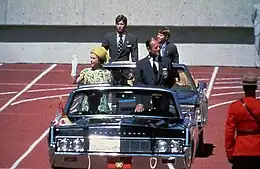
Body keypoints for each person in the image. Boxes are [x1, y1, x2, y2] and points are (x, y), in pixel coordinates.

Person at [225, 72, 260, 169]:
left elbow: (229, 132)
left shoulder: (235, 107)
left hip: (240, 149)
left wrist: (229, 151)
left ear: (243, 88)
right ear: (256, 88)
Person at [134, 37, 175, 112]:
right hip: (146, 102)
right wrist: (139, 102)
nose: (158, 49)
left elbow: (171, 80)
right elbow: (137, 84)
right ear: (149, 49)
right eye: (155, 48)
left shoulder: (166, 62)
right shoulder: (141, 64)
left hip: (163, 102)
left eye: (159, 47)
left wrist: (163, 90)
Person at [71, 47, 113, 113]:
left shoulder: (107, 73)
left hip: (102, 108)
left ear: (99, 60)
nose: (91, 60)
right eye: (90, 58)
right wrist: (74, 68)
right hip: (87, 107)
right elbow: (74, 81)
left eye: (93, 58)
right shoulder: (86, 72)